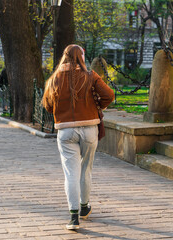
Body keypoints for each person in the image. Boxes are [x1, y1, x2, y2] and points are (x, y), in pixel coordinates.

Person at [42, 44, 114, 230]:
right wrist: (97, 106)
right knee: (86, 169)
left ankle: (73, 217)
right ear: (81, 57)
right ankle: (84, 207)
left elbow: (48, 105)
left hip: (66, 131)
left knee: (70, 173)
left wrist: (61, 110)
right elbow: (109, 95)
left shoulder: (54, 79)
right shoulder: (90, 76)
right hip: (90, 128)